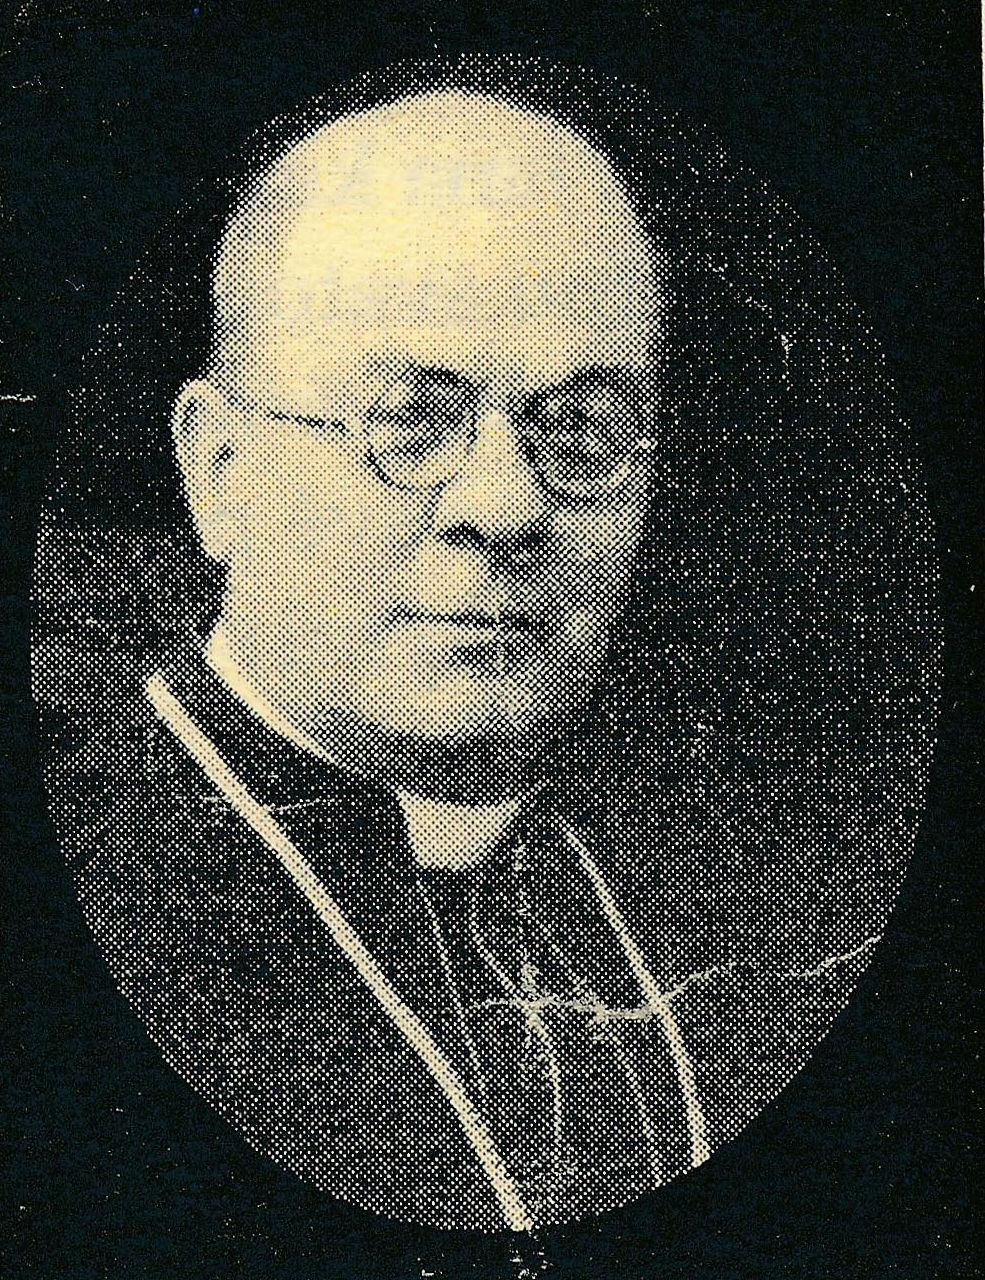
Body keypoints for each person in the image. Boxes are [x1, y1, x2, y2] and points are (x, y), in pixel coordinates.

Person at [60, 71, 923, 1232]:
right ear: (220, 471)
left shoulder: (767, 926)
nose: (507, 505)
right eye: (412, 417)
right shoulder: (87, 909)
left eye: (582, 429)